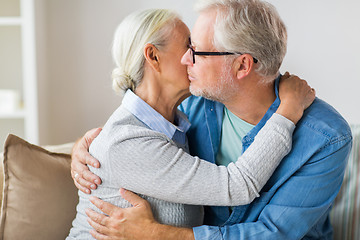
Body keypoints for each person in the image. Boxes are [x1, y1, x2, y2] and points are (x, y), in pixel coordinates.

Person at [72, 0, 352, 239]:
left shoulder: (326, 138)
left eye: (196, 50)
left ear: (242, 65)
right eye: (186, 48)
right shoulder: (194, 104)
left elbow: (273, 233)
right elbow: (126, 145)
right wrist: (85, 148)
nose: (186, 60)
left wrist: (158, 234)